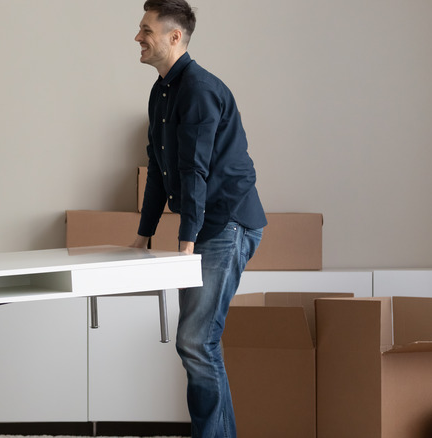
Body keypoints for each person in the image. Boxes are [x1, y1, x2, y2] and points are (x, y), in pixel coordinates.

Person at [130, 1, 266, 437]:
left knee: (195, 341)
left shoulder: (201, 89)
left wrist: (186, 238)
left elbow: (196, 169)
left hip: (228, 224)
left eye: (146, 30)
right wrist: (144, 234)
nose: (137, 37)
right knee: (197, 343)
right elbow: (159, 167)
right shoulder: (161, 92)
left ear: (174, 37)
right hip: (204, 226)